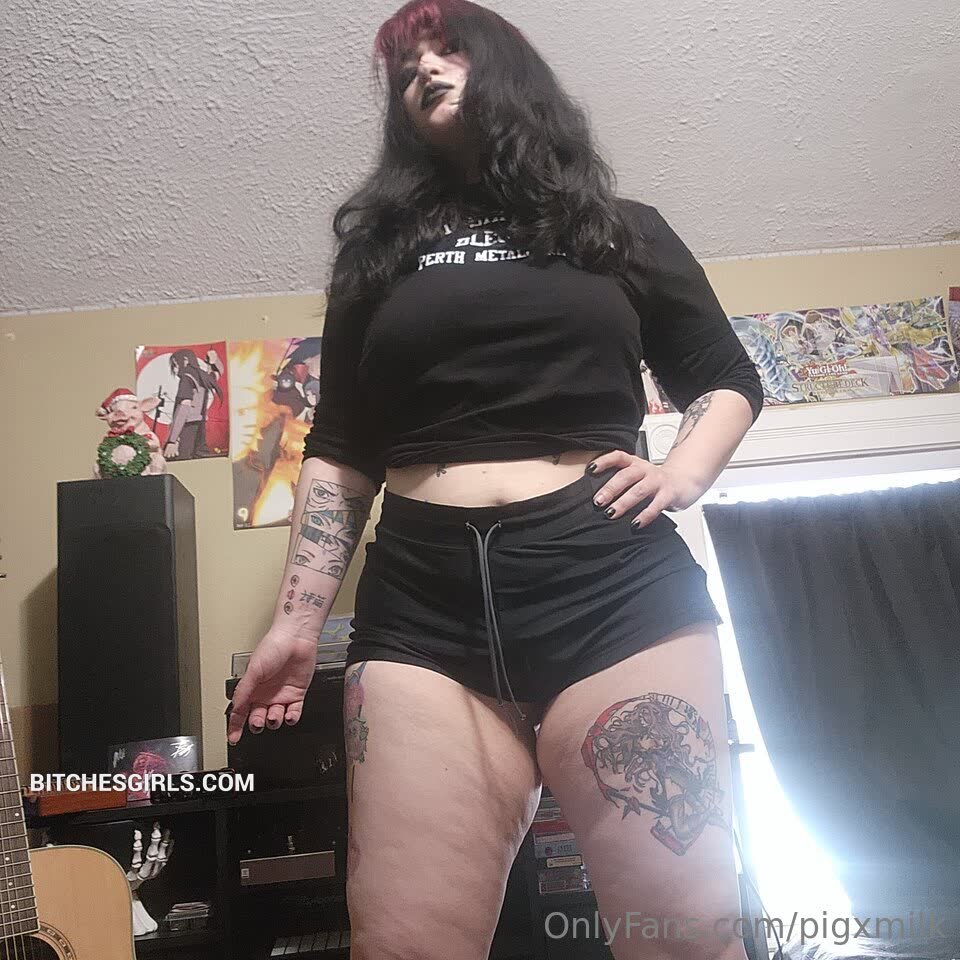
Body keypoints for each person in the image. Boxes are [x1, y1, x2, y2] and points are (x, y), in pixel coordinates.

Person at [226, 2, 764, 958]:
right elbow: (342, 447)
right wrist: (297, 624)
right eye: (405, 70)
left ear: (507, 68)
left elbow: (725, 378)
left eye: (447, 51)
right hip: (421, 610)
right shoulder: (375, 260)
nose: (424, 72)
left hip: (611, 588)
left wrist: (682, 472)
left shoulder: (619, 231)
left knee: (687, 934)